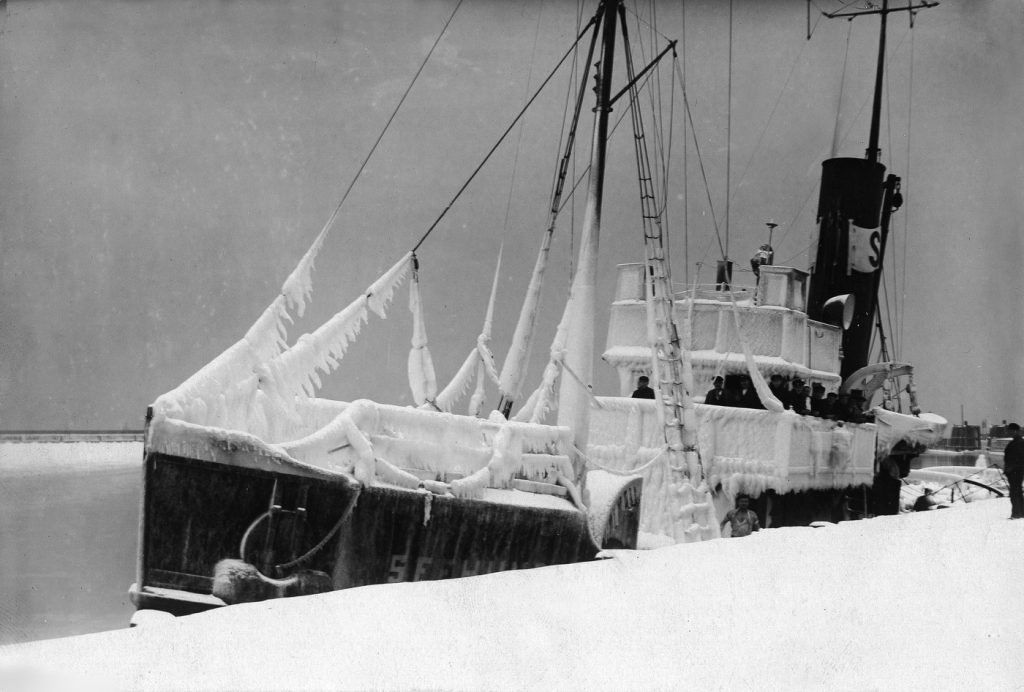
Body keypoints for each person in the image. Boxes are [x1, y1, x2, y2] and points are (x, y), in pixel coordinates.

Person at [1003, 422, 1024, 519]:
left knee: (1014, 493)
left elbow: (1017, 459)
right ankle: (1021, 513)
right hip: (1016, 471)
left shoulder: (1017, 443)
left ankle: (1016, 514)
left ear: (1015, 431)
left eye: (1010, 430)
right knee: (1017, 492)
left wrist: (1009, 469)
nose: (1009, 432)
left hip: (1015, 472)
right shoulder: (1019, 442)